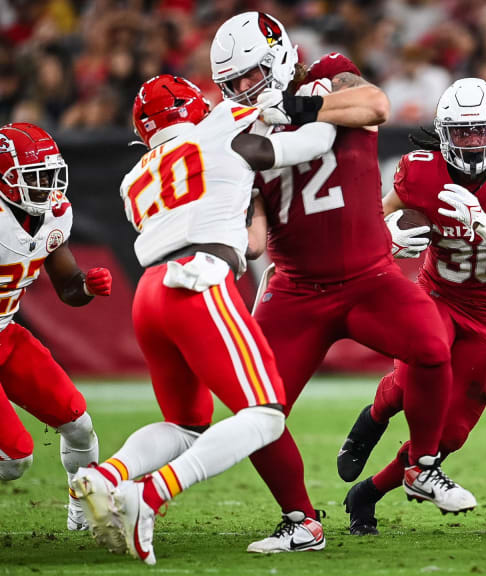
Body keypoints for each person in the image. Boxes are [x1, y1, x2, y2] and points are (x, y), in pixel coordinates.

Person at [209, 11, 463, 553]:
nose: (243, 91)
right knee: (255, 410)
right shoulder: (238, 124)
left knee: (432, 348)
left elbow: (376, 104)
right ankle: (301, 519)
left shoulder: (327, 76)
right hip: (296, 289)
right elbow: (255, 226)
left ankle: (421, 464)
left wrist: (296, 107)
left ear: (277, 56)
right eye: (233, 84)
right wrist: (232, 244)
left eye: (250, 77)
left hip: (369, 278)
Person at [70, 74, 336, 565]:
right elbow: (314, 140)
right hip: (199, 278)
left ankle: (107, 476)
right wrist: (311, 109)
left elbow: (222, 209)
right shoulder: (220, 123)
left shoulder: (134, 179)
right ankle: (148, 495)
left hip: (149, 293)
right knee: (265, 415)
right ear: (195, 107)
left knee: (187, 424)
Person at [340, 78, 486, 536]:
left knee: (450, 432)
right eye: (461, 133)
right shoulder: (418, 171)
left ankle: (369, 492)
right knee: (421, 368)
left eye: (481, 132)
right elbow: (369, 228)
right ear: (442, 133)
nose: (472, 143)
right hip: (437, 295)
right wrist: (388, 240)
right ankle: (385, 432)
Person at [0, 122, 110, 531]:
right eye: (34, 177)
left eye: (49, 175)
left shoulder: (54, 214)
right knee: (13, 460)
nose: (46, 186)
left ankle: (82, 517)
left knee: (79, 425)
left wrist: (86, 285)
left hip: (6, 333)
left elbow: (67, 287)